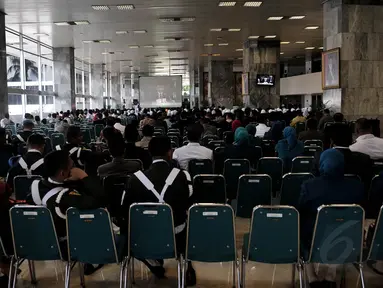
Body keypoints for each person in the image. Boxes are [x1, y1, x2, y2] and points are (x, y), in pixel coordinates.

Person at [123, 136, 196, 285]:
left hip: (142, 239)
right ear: (170, 152)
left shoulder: (134, 179)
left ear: (149, 153)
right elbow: (190, 203)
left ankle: (154, 260)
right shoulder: (183, 176)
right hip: (176, 237)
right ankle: (187, 263)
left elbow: (125, 209)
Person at [26, 150, 107, 274]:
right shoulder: (67, 196)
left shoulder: (36, 187)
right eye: (72, 166)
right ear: (63, 173)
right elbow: (100, 199)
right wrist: (83, 176)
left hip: (38, 243)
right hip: (68, 247)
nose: (74, 168)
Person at [298, 149, 364, 288]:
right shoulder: (356, 187)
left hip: (314, 240)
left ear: (321, 164)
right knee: (341, 227)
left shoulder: (310, 186)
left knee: (302, 228)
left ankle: (312, 278)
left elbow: (300, 211)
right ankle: (331, 275)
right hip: (348, 241)